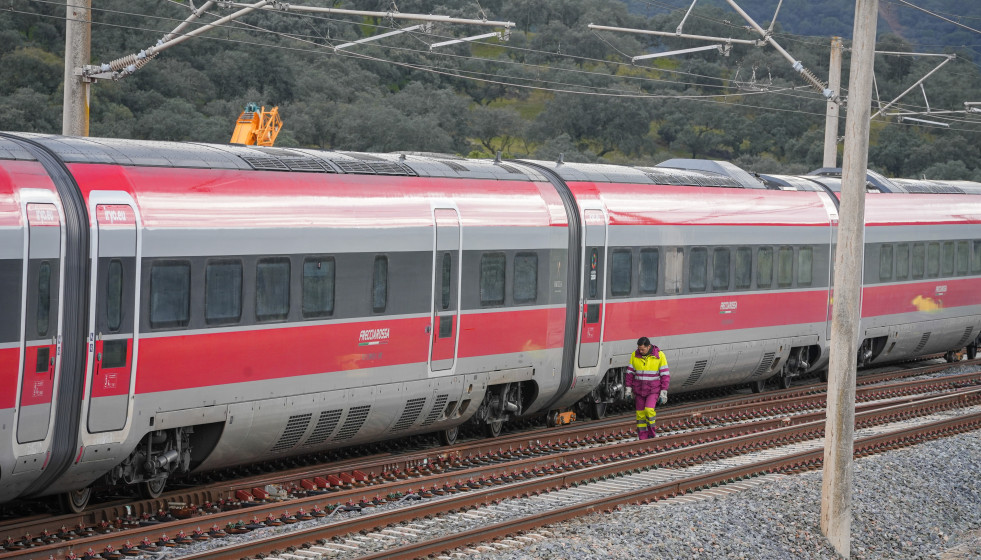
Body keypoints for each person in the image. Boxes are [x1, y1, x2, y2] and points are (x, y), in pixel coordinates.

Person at [624, 337, 670, 440]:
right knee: (640, 415)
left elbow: (665, 375)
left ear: (649, 347)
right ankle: (642, 438)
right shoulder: (634, 355)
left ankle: (651, 433)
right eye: (639, 349)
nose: (640, 351)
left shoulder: (659, 356)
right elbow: (630, 374)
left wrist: (663, 392)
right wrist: (628, 389)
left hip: (653, 390)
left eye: (642, 349)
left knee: (649, 410)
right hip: (639, 390)